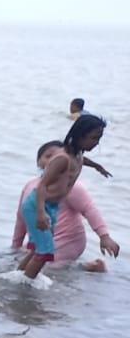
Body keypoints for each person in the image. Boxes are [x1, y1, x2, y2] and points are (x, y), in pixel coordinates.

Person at [21, 114, 110, 281]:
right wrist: (40, 213)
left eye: (99, 138)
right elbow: (42, 186)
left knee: (37, 249)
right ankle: (24, 286)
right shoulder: (62, 159)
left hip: (51, 207)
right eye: (93, 138)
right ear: (80, 135)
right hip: (37, 205)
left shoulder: (77, 155)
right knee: (46, 251)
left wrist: (97, 166)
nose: (96, 142)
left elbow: (83, 160)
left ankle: (18, 277)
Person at [15, 139, 119, 273]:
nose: (55, 160)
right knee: (23, 257)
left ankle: (85, 268)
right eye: (48, 156)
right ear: (39, 162)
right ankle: (86, 266)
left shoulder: (71, 187)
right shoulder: (30, 186)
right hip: (43, 236)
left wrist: (104, 236)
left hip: (68, 239)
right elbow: (21, 219)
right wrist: (15, 246)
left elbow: (90, 209)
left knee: (47, 266)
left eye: (59, 157)